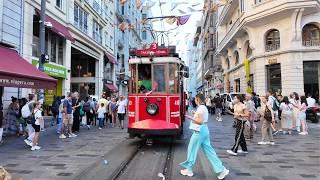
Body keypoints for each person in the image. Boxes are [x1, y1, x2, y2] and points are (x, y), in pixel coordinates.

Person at [180, 93, 229, 179]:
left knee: (192, 150)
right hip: (204, 130)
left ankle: (189, 170)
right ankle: (222, 170)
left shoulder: (200, 108)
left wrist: (190, 117)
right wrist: (195, 113)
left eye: (195, 99)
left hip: (199, 132)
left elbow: (200, 121)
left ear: (198, 99)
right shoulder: (203, 108)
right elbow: (202, 118)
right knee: (209, 151)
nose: (194, 100)